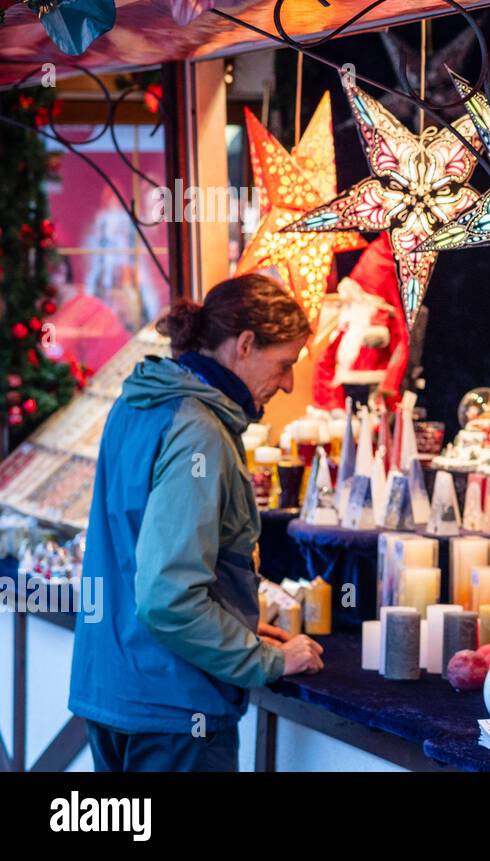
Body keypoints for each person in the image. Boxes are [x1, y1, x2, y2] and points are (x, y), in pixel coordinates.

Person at [70, 273, 325, 772]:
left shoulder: (138, 402)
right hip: (173, 711)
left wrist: (241, 626)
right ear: (245, 345)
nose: (290, 383)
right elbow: (169, 599)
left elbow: (139, 555)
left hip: (111, 690)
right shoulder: (200, 432)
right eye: (285, 364)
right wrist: (267, 661)